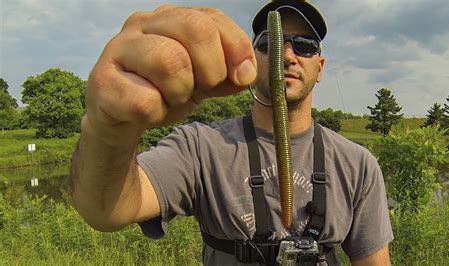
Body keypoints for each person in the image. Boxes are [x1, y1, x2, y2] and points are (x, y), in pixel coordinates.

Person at [71, 0, 393, 265]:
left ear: (320, 67)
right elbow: (104, 210)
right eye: (271, 43)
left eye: (305, 46)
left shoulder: (358, 165)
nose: (289, 56)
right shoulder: (201, 148)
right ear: (252, 60)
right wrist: (108, 130)